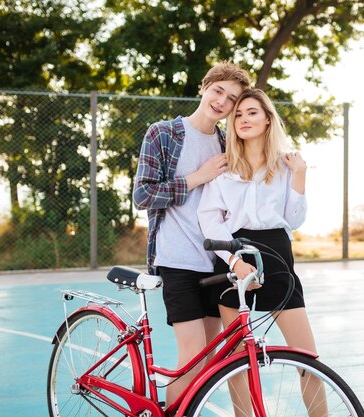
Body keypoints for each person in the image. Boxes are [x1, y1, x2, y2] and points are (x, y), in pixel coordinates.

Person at [197, 88, 327, 416]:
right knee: (236, 361)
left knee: (308, 360)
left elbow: (293, 221)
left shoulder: (286, 166)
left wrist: (300, 175)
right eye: (238, 115)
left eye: (252, 112)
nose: (243, 119)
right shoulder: (223, 170)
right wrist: (235, 261)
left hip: (277, 258)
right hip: (235, 258)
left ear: (268, 119)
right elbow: (209, 220)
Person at [132, 61, 251, 405]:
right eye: (218, 91)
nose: (221, 102)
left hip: (217, 263)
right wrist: (196, 177)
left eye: (230, 99)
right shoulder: (164, 133)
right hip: (177, 260)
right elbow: (142, 195)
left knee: (209, 360)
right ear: (204, 87)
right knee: (193, 357)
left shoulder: (230, 143)